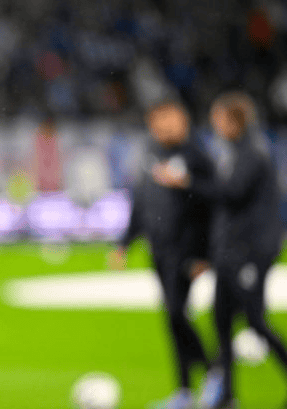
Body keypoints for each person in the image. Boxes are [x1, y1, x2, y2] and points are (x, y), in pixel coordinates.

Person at [158, 93, 287, 409]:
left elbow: (231, 194)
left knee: (255, 320)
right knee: (221, 321)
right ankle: (226, 396)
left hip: (249, 253)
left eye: (218, 118)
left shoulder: (252, 154)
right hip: (229, 253)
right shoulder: (233, 153)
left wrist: (186, 182)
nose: (214, 124)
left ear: (233, 121)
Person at [114, 101, 213, 409]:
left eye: (167, 120)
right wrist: (125, 243)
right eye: (156, 121)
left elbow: (210, 206)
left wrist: (203, 254)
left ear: (182, 121)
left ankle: (213, 370)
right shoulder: (150, 154)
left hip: (186, 251)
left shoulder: (196, 157)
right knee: (172, 320)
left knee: (177, 313)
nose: (161, 127)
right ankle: (184, 390)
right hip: (159, 250)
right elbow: (142, 203)